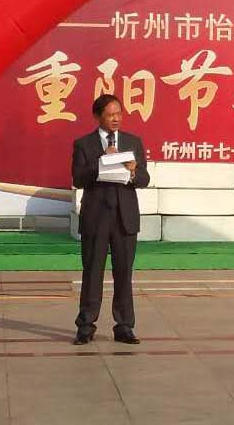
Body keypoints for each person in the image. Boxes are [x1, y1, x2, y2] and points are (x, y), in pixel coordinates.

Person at [72, 94, 150, 345]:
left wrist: (133, 170)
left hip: (125, 218)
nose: (116, 118)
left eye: (119, 113)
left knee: (124, 274)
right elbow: (78, 179)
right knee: (92, 273)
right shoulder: (83, 144)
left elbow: (145, 179)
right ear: (97, 116)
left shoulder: (133, 142)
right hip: (96, 217)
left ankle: (124, 326)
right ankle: (86, 325)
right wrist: (102, 162)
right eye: (110, 114)